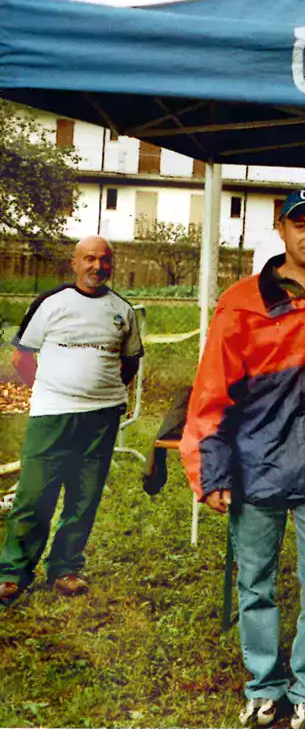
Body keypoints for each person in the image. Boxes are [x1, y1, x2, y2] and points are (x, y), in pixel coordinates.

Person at [182, 189, 305, 729]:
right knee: (254, 582)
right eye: (299, 224)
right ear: (280, 228)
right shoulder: (241, 301)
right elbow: (211, 393)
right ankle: (263, 683)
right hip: (255, 468)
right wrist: (210, 471)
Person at [0, 236, 141, 605]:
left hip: (101, 417)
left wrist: (102, 394)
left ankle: (65, 569)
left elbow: (130, 362)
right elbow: (22, 358)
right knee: (33, 495)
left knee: (85, 495)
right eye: (89, 259)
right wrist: (50, 390)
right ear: (74, 264)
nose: (97, 267)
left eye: (104, 260)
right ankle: (13, 573)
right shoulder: (51, 303)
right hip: (52, 413)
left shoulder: (122, 310)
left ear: (113, 264)